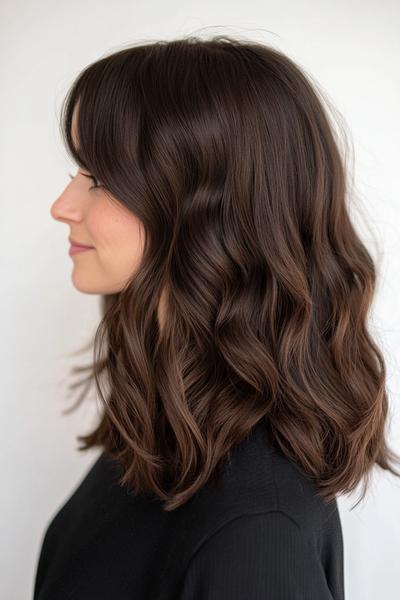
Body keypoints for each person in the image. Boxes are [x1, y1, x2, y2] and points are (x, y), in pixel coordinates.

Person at [33, 34, 400, 600]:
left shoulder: (254, 534)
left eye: (99, 177)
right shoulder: (165, 429)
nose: (63, 206)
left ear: (205, 206)